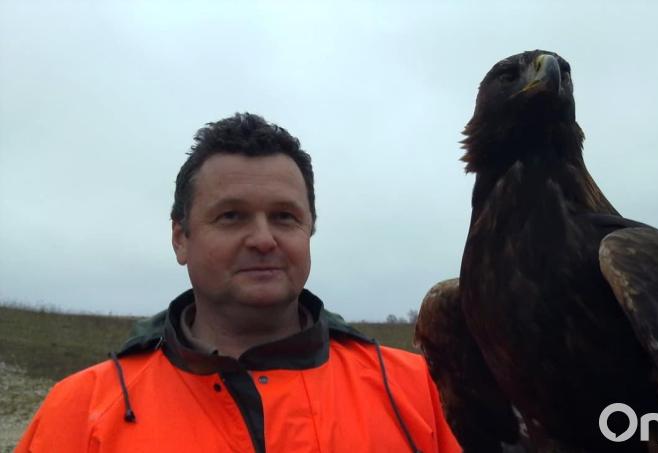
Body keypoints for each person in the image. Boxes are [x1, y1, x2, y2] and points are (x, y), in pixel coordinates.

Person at [16, 113, 460, 453]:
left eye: (285, 217)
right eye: (231, 217)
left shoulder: (422, 390)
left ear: (310, 230)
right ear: (180, 238)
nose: (264, 239)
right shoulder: (82, 410)